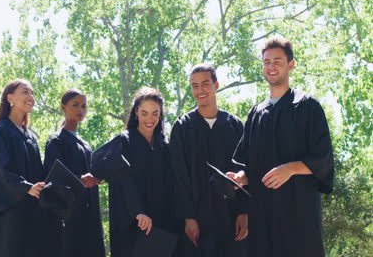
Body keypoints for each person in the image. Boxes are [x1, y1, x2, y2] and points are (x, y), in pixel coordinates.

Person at [228, 37, 334, 257]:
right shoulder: (256, 114)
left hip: (298, 216)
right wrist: (241, 177)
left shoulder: (307, 107)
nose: (271, 66)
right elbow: (247, 164)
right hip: (263, 216)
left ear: (291, 64)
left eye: (277, 61)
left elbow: (323, 159)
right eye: (267, 62)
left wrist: (291, 168)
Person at [169, 63, 248, 257]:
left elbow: (247, 169)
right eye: (194, 85)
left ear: (216, 85)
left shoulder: (235, 125)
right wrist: (188, 217)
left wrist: (244, 212)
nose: (200, 90)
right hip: (198, 217)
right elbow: (178, 175)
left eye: (205, 84)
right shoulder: (182, 127)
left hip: (230, 216)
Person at [92, 87, 178, 257]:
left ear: (161, 114)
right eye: (144, 113)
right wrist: (136, 210)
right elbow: (97, 165)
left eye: (155, 113)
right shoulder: (124, 141)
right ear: (136, 112)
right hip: (131, 225)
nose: (150, 119)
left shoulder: (165, 145)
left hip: (161, 225)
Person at [0, 79, 58, 257]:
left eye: (32, 93)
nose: (31, 97)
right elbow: (0, 171)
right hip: (9, 216)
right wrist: (25, 187)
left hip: (29, 214)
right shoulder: (1, 131)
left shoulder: (29, 137)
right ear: (10, 98)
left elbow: (40, 175)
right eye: (25, 92)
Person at [44, 89, 105, 257]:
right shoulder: (57, 141)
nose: (81, 110)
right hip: (70, 216)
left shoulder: (85, 144)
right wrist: (80, 180)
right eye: (75, 105)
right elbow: (53, 180)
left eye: (84, 106)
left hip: (90, 213)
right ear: (64, 107)